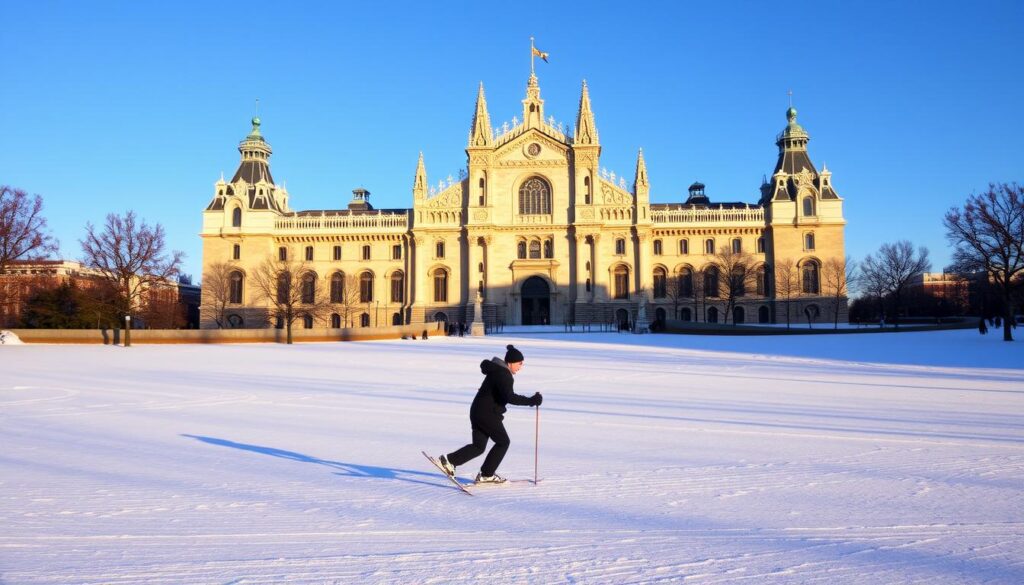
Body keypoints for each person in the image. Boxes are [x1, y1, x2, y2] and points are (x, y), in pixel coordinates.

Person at [437, 344, 542, 484]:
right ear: (510, 362)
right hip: (487, 414)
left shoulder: (497, 371)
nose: (521, 366)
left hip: (478, 412)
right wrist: (532, 400)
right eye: (519, 363)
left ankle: (449, 461)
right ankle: (486, 475)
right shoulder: (504, 375)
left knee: (478, 446)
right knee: (503, 442)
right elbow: (509, 397)